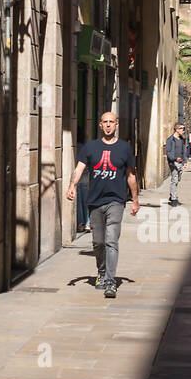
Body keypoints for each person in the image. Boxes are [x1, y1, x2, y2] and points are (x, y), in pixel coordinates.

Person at [66, 110, 140, 300]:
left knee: (111, 240)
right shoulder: (90, 147)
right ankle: (101, 271)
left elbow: (130, 175)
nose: (108, 125)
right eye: (105, 122)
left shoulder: (124, 148)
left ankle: (110, 281)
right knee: (98, 242)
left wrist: (135, 199)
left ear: (116, 125)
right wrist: (72, 186)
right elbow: (79, 168)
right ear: (100, 125)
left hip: (116, 200)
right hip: (95, 201)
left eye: (111, 122)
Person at [165, 122, 187, 204]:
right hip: (173, 162)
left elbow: (183, 151)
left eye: (184, 129)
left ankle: (172, 195)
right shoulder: (170, 139)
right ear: (177, 129)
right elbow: (168, 152)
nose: (184, 131)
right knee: (174, 179)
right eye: (182, 129)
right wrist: (174, 159)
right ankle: (174, 199)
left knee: (178, 179)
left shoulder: (181, 139)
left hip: (180, 162)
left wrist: (184, 161)